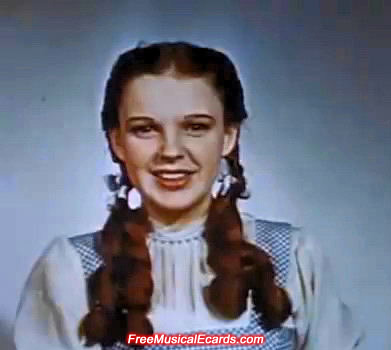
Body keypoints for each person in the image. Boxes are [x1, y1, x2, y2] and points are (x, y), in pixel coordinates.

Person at [14, 41, 362, 350]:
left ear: (227, 137)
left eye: (195, 127)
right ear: (117, 142)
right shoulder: (69, 270)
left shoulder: (295, 258)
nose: (171, 151)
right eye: (145, 129)